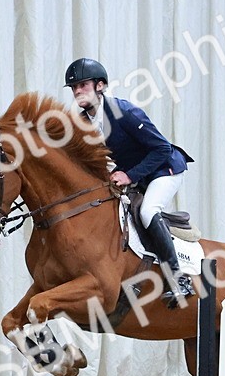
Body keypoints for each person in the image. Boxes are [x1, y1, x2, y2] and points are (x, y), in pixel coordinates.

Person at [65, 58, 195, 305]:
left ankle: (178, 278)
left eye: (82, 84)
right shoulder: (81, 122)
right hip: (134, 172)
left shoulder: (123, 111)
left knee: (147, 212)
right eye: (74, 87)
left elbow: (161, 148)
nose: (77, 91)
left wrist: (129, 175)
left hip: (163, 169)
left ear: (100, 86)